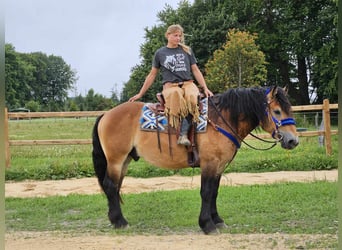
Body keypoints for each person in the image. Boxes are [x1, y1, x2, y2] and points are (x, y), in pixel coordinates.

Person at [129, 24, 213, 146]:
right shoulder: (160, 53)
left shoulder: (186, 51)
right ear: (168, 35)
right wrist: (140, 93)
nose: (178, 38)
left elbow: (195, 70)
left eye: (180, 36)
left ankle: (184, 135)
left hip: (188, 83)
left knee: (192, 97)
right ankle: (174, 136)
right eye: (175, 35)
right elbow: (152, 75)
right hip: (170, 86)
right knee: (176, 95)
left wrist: (205, 87)